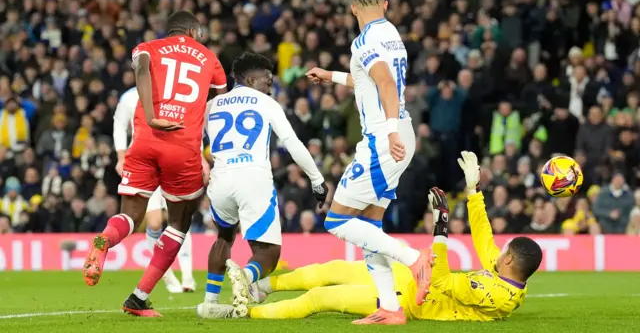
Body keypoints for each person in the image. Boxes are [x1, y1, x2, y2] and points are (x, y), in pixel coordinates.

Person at [201, 152, 543, 322]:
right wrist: (474, 190)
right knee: (329, 269)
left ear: (510, 260)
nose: (497, 252)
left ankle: (244, 314)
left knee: (320, 297)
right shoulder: (504, 274)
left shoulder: (496, 295)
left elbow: (437, 283)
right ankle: (260, 289)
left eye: (504, 251)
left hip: (408, 300)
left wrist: (440, 228)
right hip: (408, 277)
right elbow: (484, 239)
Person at [299, 0, 431, 325]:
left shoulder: (364, 40)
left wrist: (387, 134)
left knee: (338, 220)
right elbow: (370, 79)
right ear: (385, 5)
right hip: (401, 130)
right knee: (370, 224)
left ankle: (414, 258)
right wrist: (332, 76)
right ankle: (390, 307)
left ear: (353, 7)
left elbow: (384, 82)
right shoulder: (391, 34)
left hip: (383, 138)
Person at [82, 11, 227, 316]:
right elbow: (221, 104)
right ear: (193, 30)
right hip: (182, 147)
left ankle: (105, 240)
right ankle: (137, 297)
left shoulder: (148, 47)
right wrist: (211, 151)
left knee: (132, 215)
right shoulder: (210, 58)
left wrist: (150, 115)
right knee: (179, 221)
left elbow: (142, 68)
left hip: (145, 142)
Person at [196, 52, 328, 318]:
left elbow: (191, 140)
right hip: (253, 177)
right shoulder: (266, 103)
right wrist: (317, 179)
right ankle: (245, 277)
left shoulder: (212, 104)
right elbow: (293, 144)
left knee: (224, 237)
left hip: (220, 180)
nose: (270, 87)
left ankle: (210, 303)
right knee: (268, 252)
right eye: (267, 81)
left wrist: (200, 164)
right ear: (251, 78)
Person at [112, 86, 201, 293]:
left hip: (173, 161)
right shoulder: (129, 97)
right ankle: (166, 275)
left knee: (178, 218)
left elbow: (190, 125)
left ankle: (187, 276)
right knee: (154, 222)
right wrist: (120, 155)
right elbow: (119, 125)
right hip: (145, 165)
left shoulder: (176, 92)